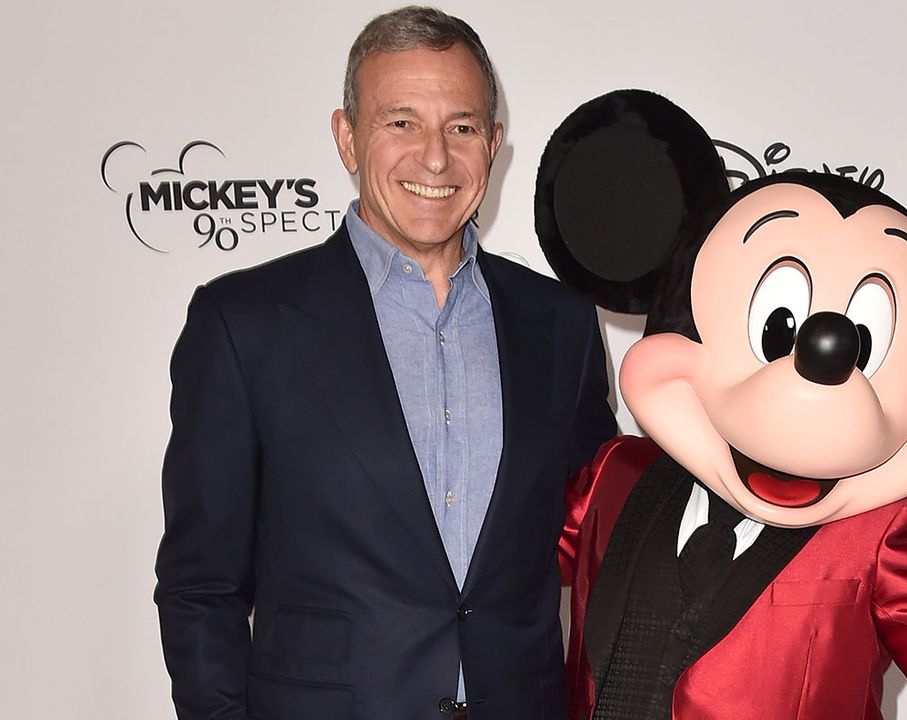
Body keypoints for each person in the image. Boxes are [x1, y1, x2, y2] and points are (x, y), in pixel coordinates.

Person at [154, 7, 616, 720]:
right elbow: (200, 588)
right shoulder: (244, 324)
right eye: (401, 122)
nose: (435, 158)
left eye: (461, 127)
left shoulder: (559, 322)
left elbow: (594, 535)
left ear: (493, 144)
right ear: (346, 136)